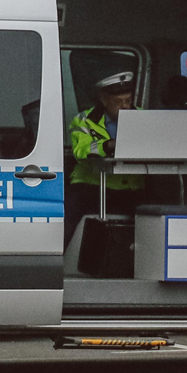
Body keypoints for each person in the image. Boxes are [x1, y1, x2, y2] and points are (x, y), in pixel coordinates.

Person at [65, 68, 145, 247]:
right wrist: (108, 145)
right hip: (89, 186)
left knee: (154, 216)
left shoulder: (144, 117)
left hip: (130, 189)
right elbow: (81, 150)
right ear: (104, 100)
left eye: (128, 100)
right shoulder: (84, 120)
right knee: (66, 214)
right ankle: (53, 266)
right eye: (118, 101)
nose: (125, 106)